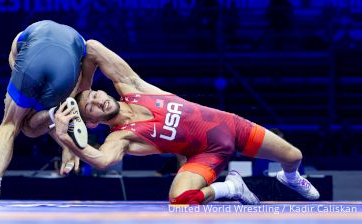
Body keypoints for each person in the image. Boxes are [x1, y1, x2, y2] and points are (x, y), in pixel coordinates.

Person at [53, 40, 320, 205]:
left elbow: (92, 47)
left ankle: (290, 177)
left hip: (231, 127)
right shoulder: (121, 137)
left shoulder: (134, 87)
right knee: (180, 200)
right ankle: (231, 187)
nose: (99, 100)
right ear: (92, 122)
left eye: (96, 94)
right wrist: (66, 138)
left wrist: (81, 93)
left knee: (294, 156)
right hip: (205, 156)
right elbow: (101, 160)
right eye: (92, 107)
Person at [0, 20, 93, 206]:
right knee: (41, 121)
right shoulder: (79, 42)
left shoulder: (20, 41)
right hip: (67, 69)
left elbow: (19, 72)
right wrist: (68, 146)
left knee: (11, 124)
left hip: (33, 61)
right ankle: (55, 115)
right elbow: (80, 83)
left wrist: (14, 108)